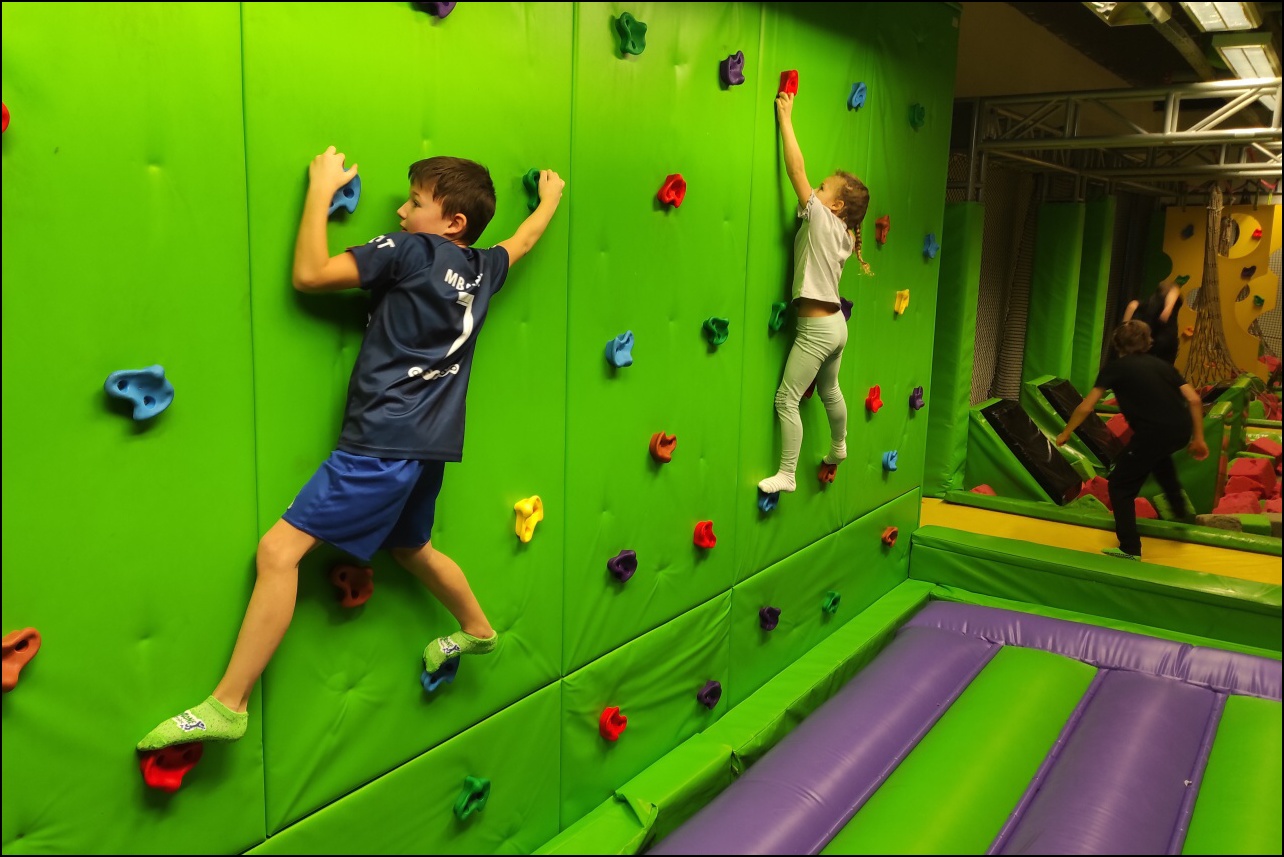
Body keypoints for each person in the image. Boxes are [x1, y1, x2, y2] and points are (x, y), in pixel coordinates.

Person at [137, 148, 565, 751]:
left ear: (453, 223)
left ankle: (229, 704)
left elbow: (311, 274)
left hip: (382, 442)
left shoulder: (411, 250)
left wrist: (320, 188)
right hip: (432, 446)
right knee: (411, 548)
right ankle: (477, 628)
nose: (402, 211)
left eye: (415, 202)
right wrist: (549, 200)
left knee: (278, 552)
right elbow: (523, 240)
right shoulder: (482, 268)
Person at [757, 91, 872, 495]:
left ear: (836, 206)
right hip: (837, 326)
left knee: (786, 399)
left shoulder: (822, 217)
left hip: (817, 330)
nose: (816, 189)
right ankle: (839, 446)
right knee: (829, 390)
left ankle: (787, 473)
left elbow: (795, 170)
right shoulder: (844, 235)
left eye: (823, 188)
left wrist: (785, 119)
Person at [1056, 320, 1209, 560]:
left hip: (1153, 433)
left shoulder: (1115, 368)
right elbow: (1194, 400)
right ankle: (1180, 511)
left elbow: (1086, 406)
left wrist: (1066, 432)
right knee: (1157, 457)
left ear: (1117, 344)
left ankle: (1129, 548)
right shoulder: (1163, 366)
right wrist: (1199, 438)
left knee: (1119, 485)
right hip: (1181, 431)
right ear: (1148, 342)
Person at [1123, 280, 1182, 364]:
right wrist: (1168, 308)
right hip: (1166, 341)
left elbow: (1132, 305)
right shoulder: (1171, 298)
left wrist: (1125, 325)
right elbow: (1174, 290)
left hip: (1149, 342)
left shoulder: (1151, 302)